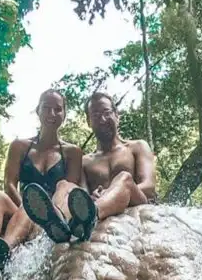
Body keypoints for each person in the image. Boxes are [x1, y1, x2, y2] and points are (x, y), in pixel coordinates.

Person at [0, 89, 86, 279]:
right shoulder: (20, 146)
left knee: (39, 201)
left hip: (52, 220)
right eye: (47, 108)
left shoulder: (72, 152)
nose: (52, 114)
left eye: (58, 109)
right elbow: (9, 183)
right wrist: (27, 208)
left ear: (64, 114)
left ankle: (5, 251)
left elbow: (69, 189)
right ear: (38, 111)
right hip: (20, 208)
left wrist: (39, 212)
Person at [21, 91, 156, 243]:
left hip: (135, 202)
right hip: (98, 207)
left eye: (107, 112)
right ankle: (58, 221)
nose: (103, 119)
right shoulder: (85, 161)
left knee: (124, 178)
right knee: (65, 184)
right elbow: (81, 195)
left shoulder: (137, 147)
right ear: (88, 121)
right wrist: (91, 196)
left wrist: (108, 192)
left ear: (117, 115)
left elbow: (149, 187)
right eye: (96, 115)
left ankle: (91, 216)